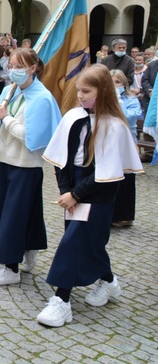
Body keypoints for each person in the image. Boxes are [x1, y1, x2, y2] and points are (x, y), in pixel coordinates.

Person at [38, 65, 143, 328]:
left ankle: (62, 300)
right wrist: (65, 190)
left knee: (74, 242)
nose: (81, 96)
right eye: (79, 91)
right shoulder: (73, 117)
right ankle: (108, 281)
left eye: (87, 91)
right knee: (90, 243)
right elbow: (60, 160)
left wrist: (76, 194)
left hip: (99, 192)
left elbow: (105, 173)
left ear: (104, 91)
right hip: (73, 185)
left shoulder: (115, 126)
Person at [0, 48, 61, 286]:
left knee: (14, 215)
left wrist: (5, 118)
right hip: (4, 161)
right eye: (12, 66)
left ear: (33, 68)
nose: (14, 71)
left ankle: (10, 268)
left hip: (26, 166)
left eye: (19, 67)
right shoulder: (10, 91)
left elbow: (31, 137)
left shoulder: (42, 98)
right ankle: (29, 250)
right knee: (10, 211)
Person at [110, 69, 141, 228]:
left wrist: (118, 103)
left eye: (117, 82)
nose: (114, 86)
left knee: (126, 179)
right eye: (111, 82)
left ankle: (124, 215)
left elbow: (130, 117)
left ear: (124, 84)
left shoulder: (131, 99)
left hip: (127, 143)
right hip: (109, 142)